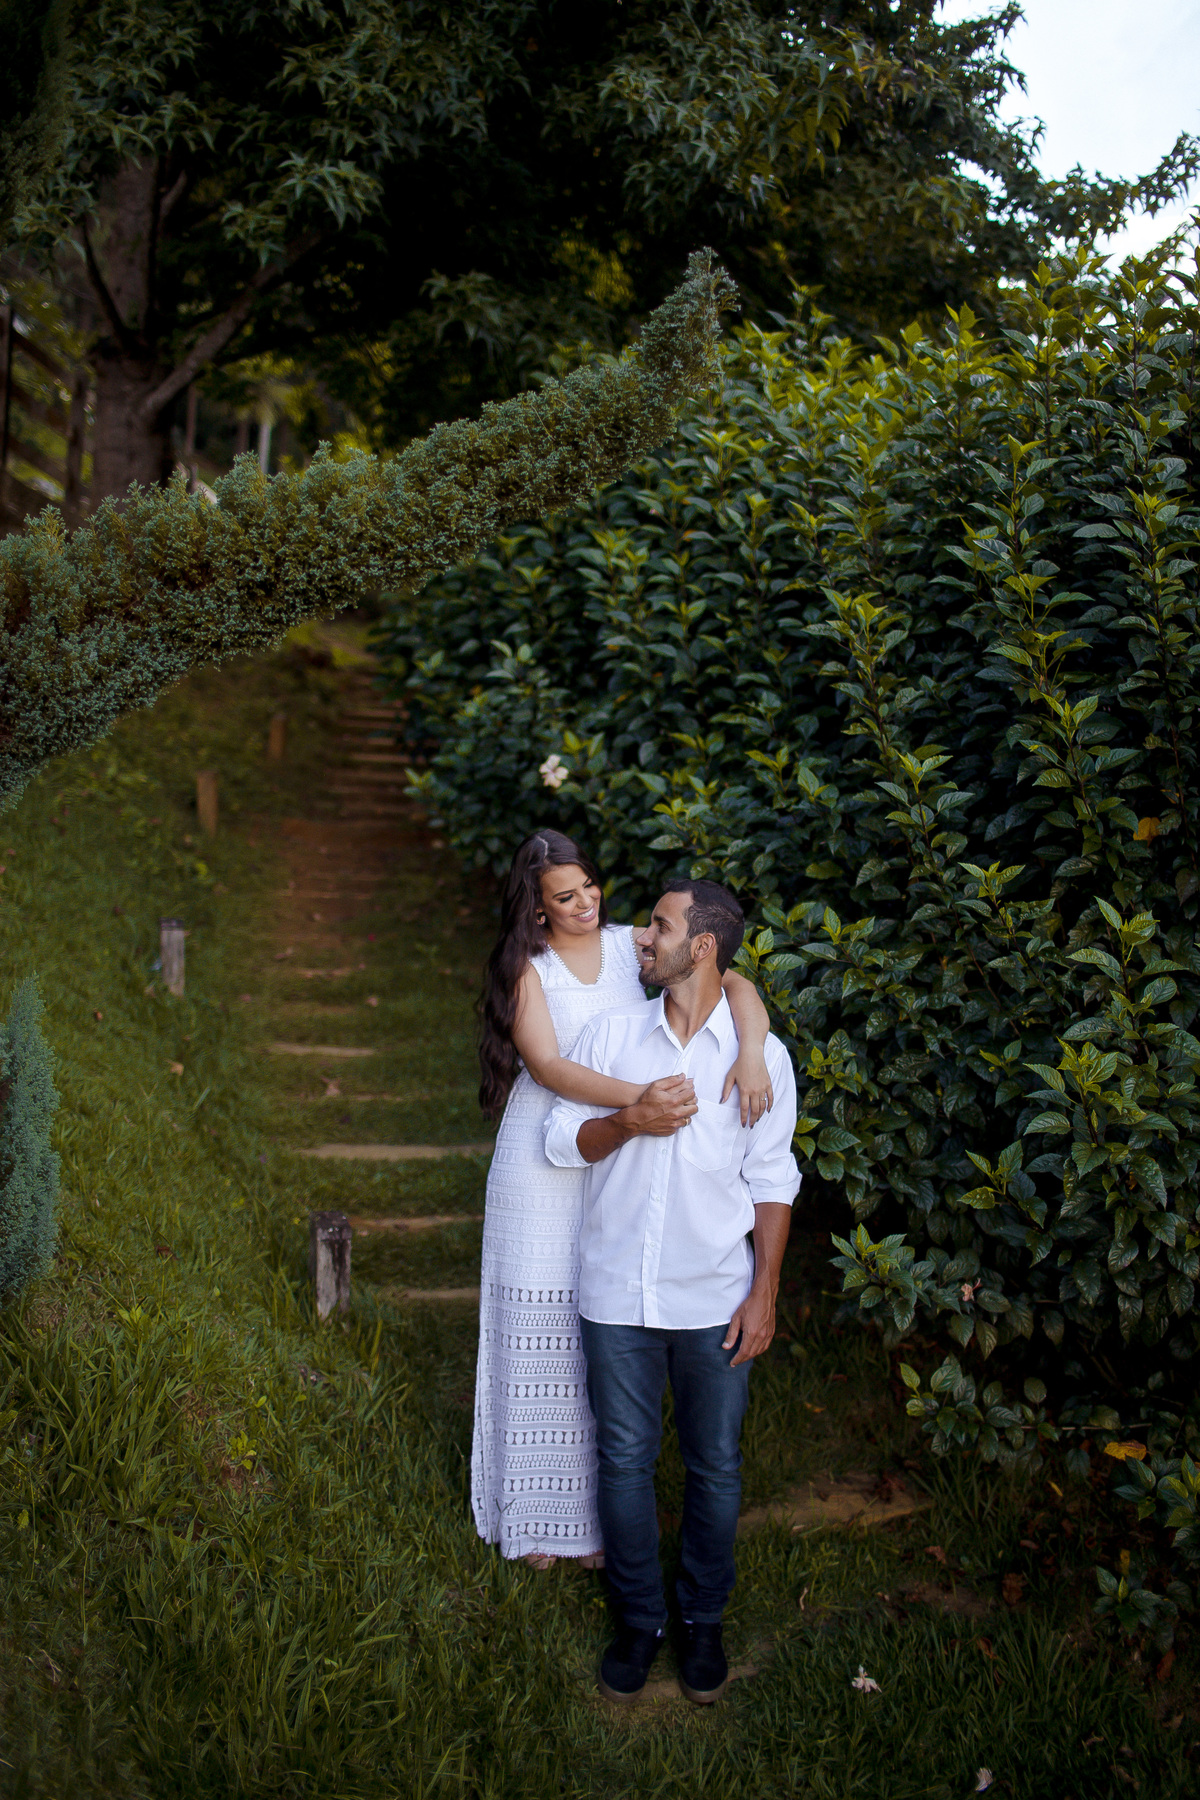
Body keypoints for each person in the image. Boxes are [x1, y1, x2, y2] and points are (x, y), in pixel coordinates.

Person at [471, 830, 774, 1569]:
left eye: (589, 888)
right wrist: (642, 1099)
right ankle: (536, 1522)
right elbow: (548, 1068)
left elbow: (725, 972)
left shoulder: (621, 946)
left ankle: (591, 1525)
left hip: (617, 1160)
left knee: (598, 1337)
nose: (584, 905)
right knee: (541, 1337)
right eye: (563, 897)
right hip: (543, 1166)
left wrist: (754, 1049)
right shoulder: (528, 969)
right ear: (536, 911)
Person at [543, 878, 799, 1703]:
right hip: (615, 1293)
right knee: (622, 1461)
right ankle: (638, 1618)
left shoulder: (763, 1057)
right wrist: (627, 1122)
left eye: (657, 925)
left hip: (713, 1297)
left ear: (703, 948)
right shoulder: (615, 1034)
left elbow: (772, 1180)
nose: (639, 939)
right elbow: (561, 1141)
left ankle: (703, 1620)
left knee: (714, 1466)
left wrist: (764, 1294)